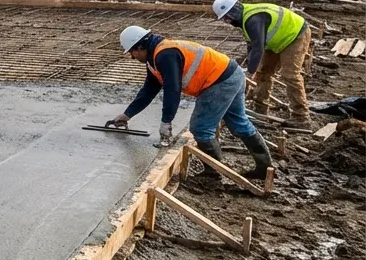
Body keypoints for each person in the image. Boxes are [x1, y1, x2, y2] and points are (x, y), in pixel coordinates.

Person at [110, 25, 274, 179]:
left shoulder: (165, 55)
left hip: (219, 82)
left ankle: (213, 173)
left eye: (132, 52)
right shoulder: (154, 57)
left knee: (201, 128)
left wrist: (166, 121)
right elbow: (149, 90)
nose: (131, 57)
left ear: (140, 47)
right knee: (238, 122)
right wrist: (127, 114)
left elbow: (172, 90)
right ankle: (264, 168)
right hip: (232, 75)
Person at [212, 0, 311, 128]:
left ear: (234, 11)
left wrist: (249, 73)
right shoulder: (244, 18)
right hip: (278, 39)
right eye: (225, 19)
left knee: (290, 75)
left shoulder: (253, 20)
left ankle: (301, 117)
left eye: (228, 17)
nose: (227, 21)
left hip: (295, 34)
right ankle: (260, 111)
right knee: (263, 72)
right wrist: (250, 67)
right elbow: (251, 46)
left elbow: (258, 48)